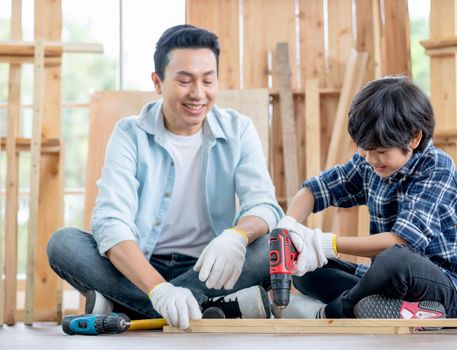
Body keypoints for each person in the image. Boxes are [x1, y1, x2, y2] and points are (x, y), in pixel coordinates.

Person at [47, 24, 283, 330]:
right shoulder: (130, 133)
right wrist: (159, 289)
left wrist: (235, 237)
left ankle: (123, 306)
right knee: (63, 243)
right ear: (158, 83)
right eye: (184, 81)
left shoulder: (239, 129)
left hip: (210, 266)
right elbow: (110, 220)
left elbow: (264, 205)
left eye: (208, 80)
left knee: (270, 245)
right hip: (140, 264)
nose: (198, 93)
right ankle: (206, 308)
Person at [278, 76, 457, 320]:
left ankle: (331, 313)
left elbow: (399, 241)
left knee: (395, 259)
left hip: (448, 290)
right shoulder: (371, 163)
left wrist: (326, 243)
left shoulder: (438, 169)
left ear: (414, 139)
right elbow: (314, 190)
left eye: (381, 152)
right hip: (389, 283)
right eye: (365, 149)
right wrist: (287, 227)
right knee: (306, 269)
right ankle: (401, 311)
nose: (371, 159)